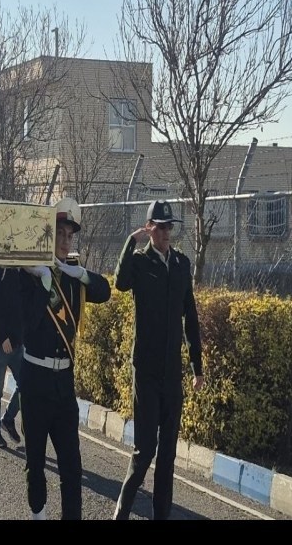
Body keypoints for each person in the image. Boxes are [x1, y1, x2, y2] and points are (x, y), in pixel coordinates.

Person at [19, 197, 110, 520]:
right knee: (35, 463)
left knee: (72, 466)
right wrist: (44, 283)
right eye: (59, 233)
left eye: (69, 235)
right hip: (36, 379)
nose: (65, 240)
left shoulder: (72, 274)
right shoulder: (31, 274)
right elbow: (27, 323)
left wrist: (82, 273)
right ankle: (38, 514)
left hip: (63, 384)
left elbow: (104, 291)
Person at [112, 200, 204, 520]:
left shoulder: (181, 264)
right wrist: (130, 242)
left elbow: (190, 317)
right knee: (145, 450)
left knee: (167, 455)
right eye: (160, 227)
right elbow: (120, 283)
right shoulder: (140, 262)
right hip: (146, 372)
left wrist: (196, 366)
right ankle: (122, 510)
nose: (166, 232)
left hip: (172, 373)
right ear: (150, 228)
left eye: (169, 227)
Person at [0, 267, 24, 448]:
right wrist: (2, 337)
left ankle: (8, 419)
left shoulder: (21, 272)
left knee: (25, 383)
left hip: (18, 343)